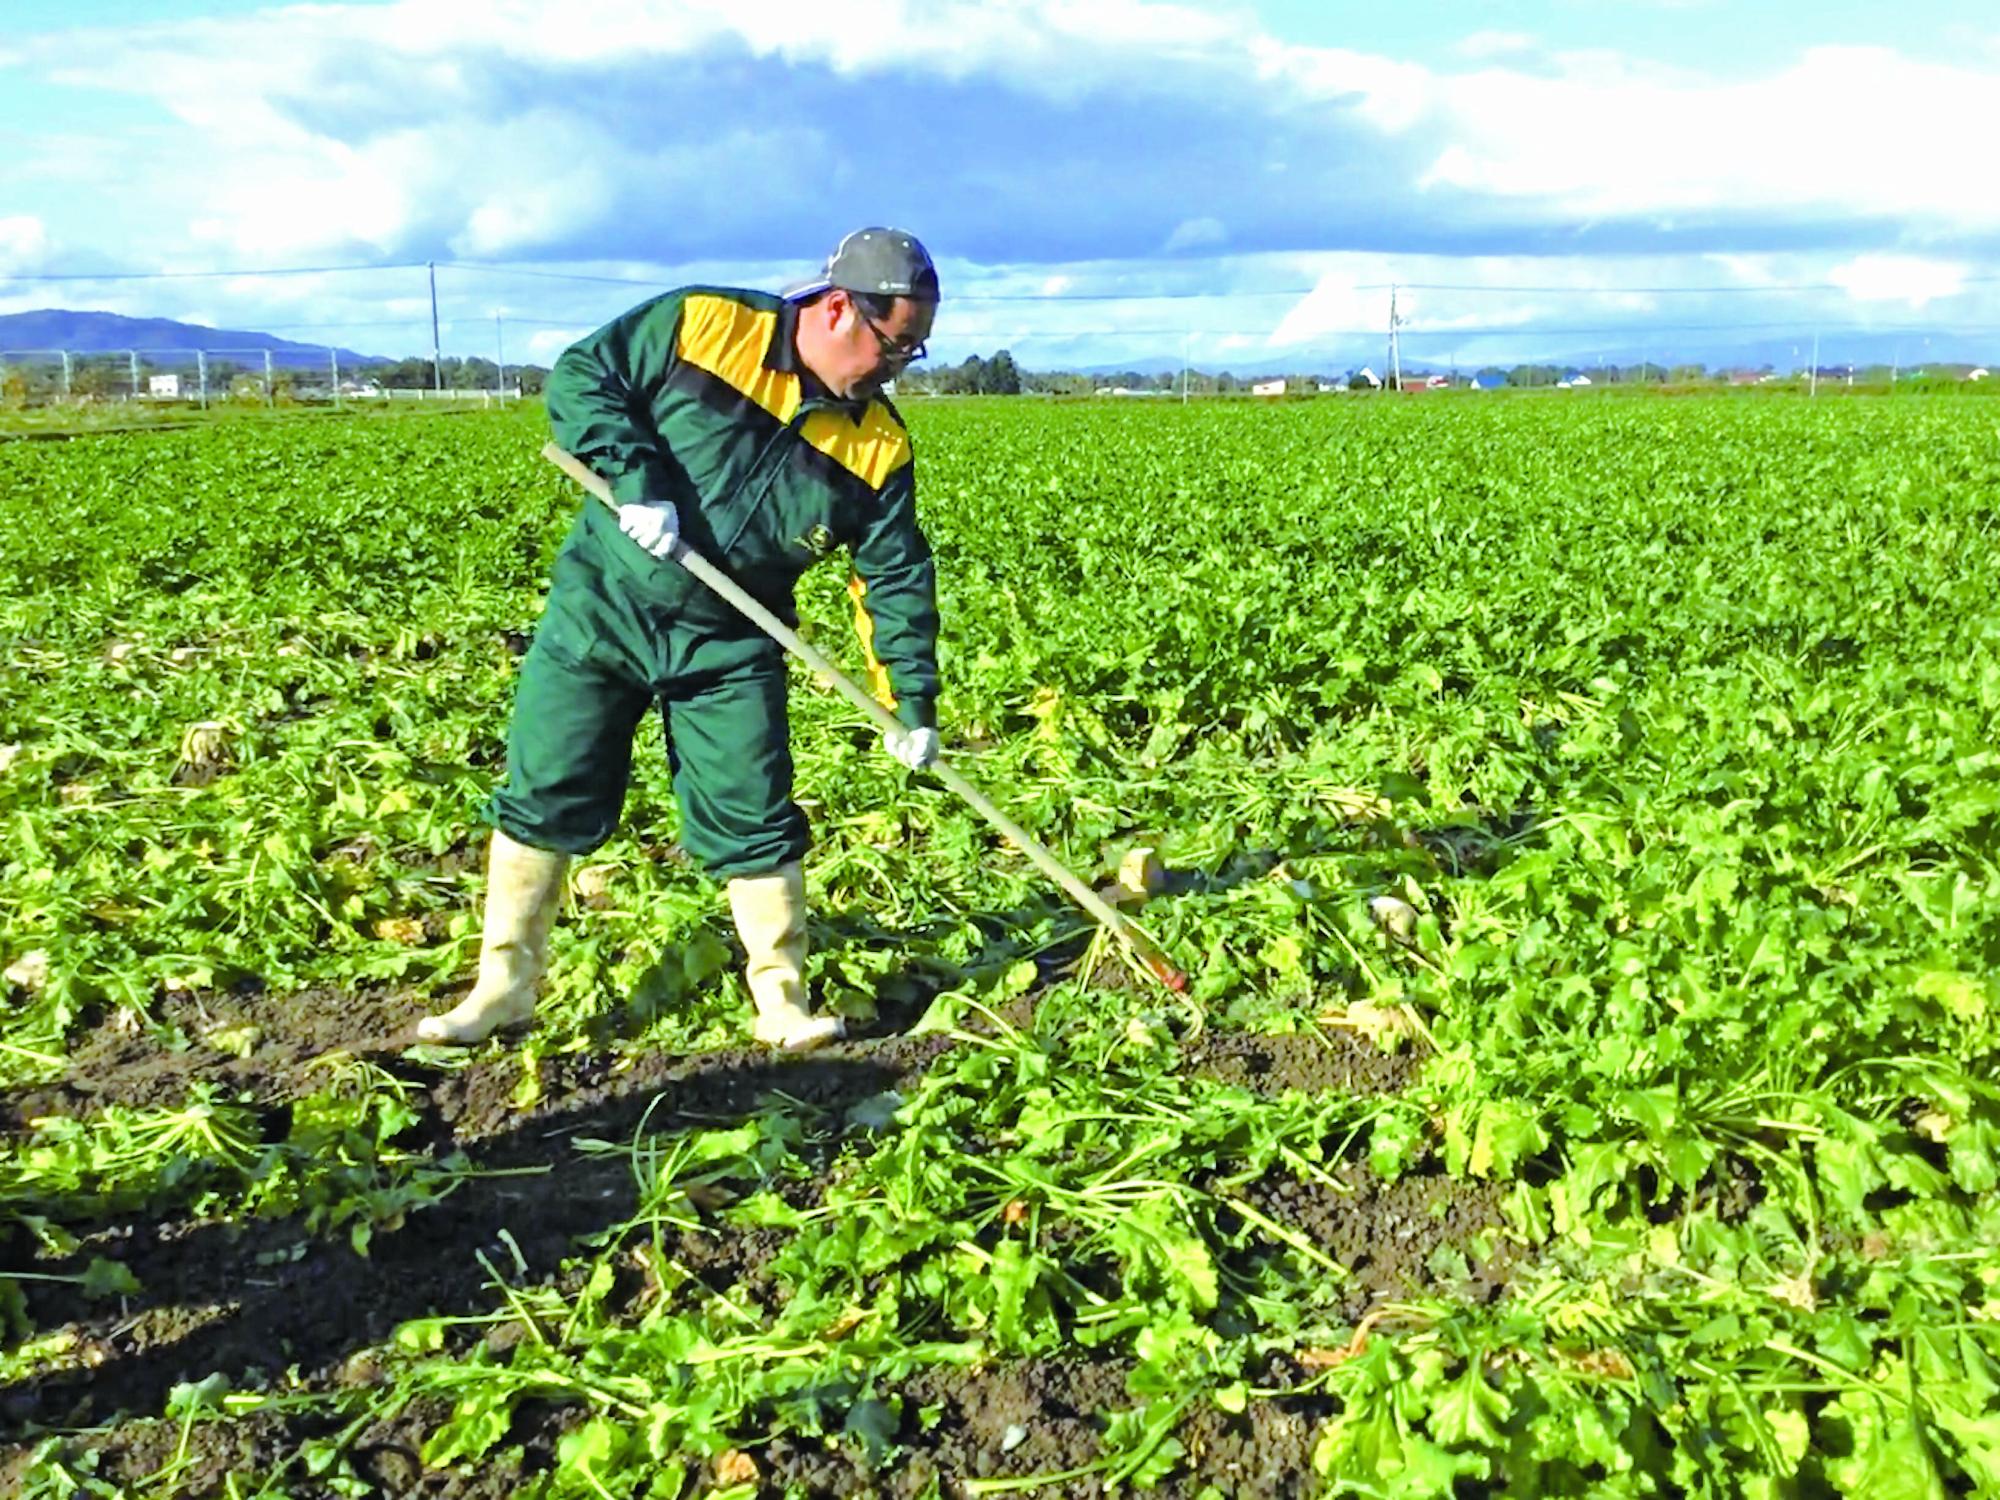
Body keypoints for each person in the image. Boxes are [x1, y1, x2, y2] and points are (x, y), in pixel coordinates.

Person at [417, 228, 943, 1049]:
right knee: (547, 784)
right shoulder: (705, 326)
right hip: (604, 608)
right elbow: (586, 375)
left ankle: (780, 1001)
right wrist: (637, 481)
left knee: (755, 812)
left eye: (913, 351)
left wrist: (908, 702)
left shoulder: (876, 446)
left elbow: (895, 579)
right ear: (840, 309)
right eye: (896, 345)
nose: (897, 368)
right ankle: (502, 987)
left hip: (731, 647)